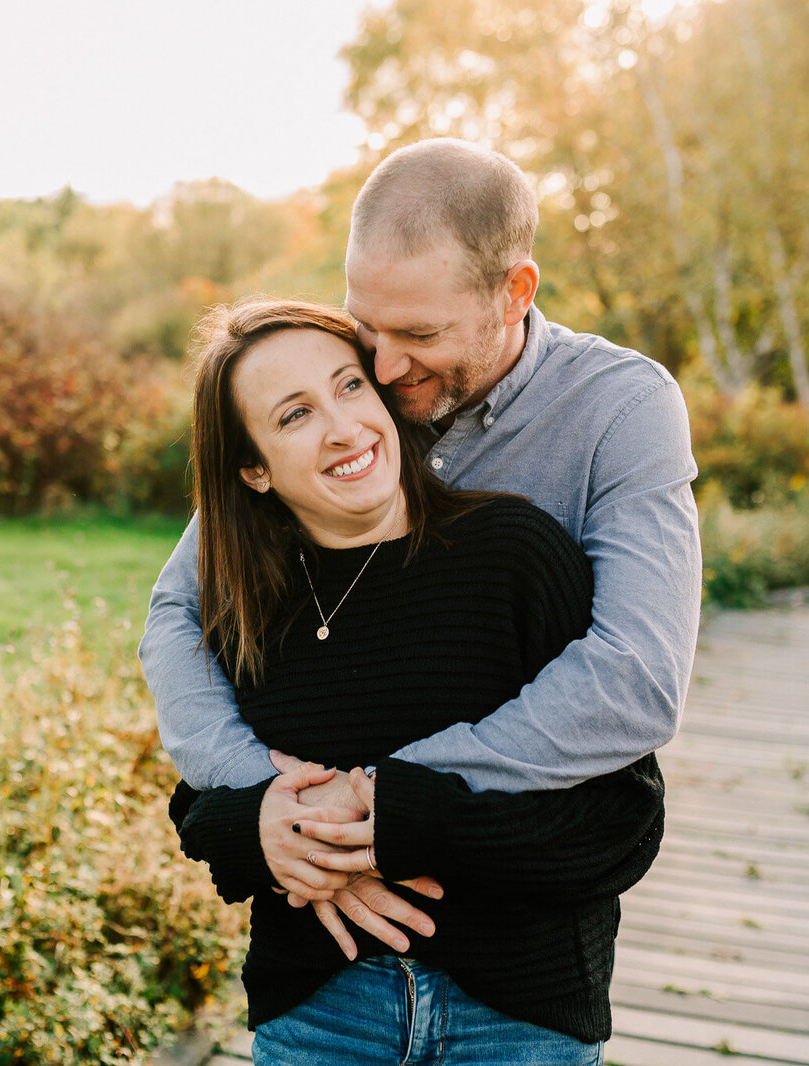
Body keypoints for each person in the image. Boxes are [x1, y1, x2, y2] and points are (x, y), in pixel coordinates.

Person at [140, 138, 702, 934]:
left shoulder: (620, 409)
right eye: (366, 323)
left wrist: (381, 803)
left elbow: (636, 676)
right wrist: (272, 802)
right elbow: (177, 613)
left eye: (420, 334)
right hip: (322, 964)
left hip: (519, 930)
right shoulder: (347, 388)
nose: (385, 366)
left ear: (515, 293)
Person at [168, 299, 664, 1063]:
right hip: (320, 1018)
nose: (342, 427)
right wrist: (255, 832)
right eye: (295, 414)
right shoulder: (251, 603)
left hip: (515, 1019)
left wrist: (403, 828)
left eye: (350, 387)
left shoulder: (514, 554)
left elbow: (622, 821)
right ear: (254, 469)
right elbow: (205, 800)